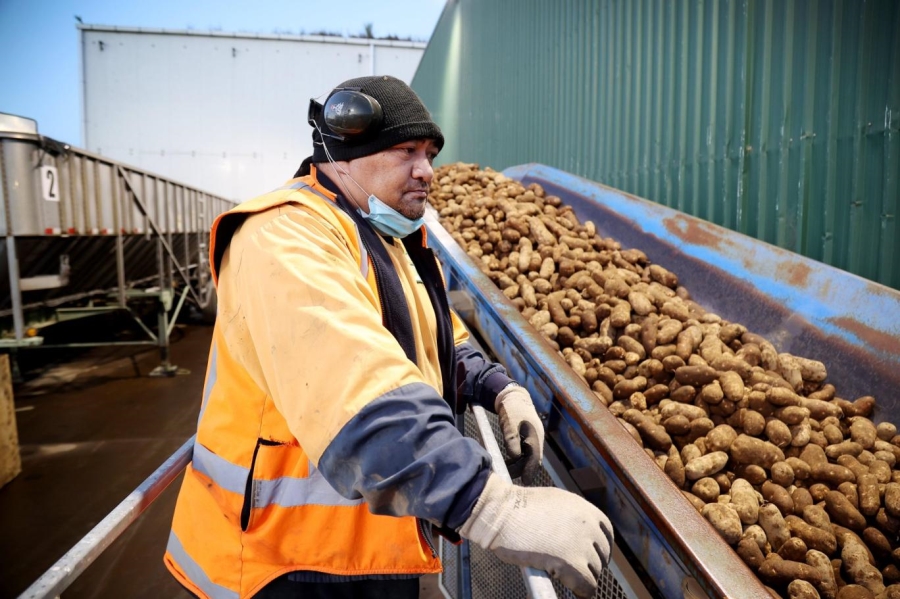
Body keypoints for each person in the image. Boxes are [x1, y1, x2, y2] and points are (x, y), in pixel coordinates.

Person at [164, 75, 613, 599]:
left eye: (429, 153)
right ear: (344, 153)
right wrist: (490, 507)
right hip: (280, 561)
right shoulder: (285, 238)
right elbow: (354, 383)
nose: (427, 170)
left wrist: (497, 388)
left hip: (362, 549)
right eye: (406, 151)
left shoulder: (388, 240)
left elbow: (437, 339)